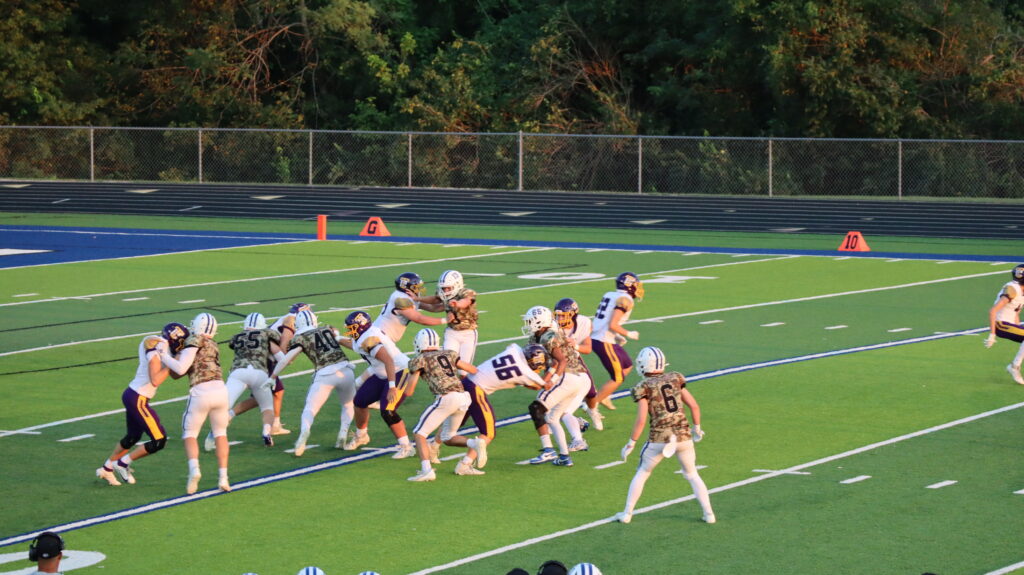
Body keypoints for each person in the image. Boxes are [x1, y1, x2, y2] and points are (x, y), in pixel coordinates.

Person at [616, 346, 715, 525]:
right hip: (683, 435)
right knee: (692, 474)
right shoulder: (675, 378)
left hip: (660, 438)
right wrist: (697, 428)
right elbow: (694, 406)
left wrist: (631, 443)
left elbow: (641, 419)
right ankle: (709, 514)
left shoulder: (643, 386)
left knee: (643, 472)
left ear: (644, 365)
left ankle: (627, 513)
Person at [96, 322, 188, 486]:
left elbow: (175, 375)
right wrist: (171, 361)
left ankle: (107, 468)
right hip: (138, 398)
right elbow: (155, 380)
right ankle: (122, 463)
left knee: (132, 437)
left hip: (133, 395)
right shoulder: (157, 346)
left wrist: (180, 364)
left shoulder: (161, 347)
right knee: (159, 440)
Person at [439, 342, 549, 468]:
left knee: (452, 425)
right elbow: (543, 386)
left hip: (465, 382)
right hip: (476, 390)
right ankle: (465, 464)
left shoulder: (513, 349)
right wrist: (553, 370)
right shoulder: (526, 373)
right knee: (488, 433)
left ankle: (433, 446)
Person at [268, 308, 357, 456]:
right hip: (345, 370)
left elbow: (286, 359)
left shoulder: (300, 337)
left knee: (310, 409)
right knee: (348, 405)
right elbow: (346, 342)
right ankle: (343, 432)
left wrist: (272, 376)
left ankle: (304, 432)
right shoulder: (327, 330)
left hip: (325, 374)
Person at [161, 312, 231, 494]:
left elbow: (181, 368)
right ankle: (223, 477)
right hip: (221, 390)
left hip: (201, 391)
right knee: (221, 434)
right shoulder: (213, 344)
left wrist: (164, 355)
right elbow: (178, 373)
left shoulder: (194, 340)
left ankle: (194, 470)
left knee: (190, 434)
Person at [404, 328, 487, 481]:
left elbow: (409, 391)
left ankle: (426, 470)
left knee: (419, 433)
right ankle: (474, 443)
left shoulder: (419, 359)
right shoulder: (449, 353)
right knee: (448, 437)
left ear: (419, 343)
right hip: (463, 397)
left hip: (447, 397)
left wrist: (403, 385)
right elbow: (472, 369)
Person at [341, 310, 416, 458]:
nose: (350, 331)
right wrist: (337, 338)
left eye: (352, 328)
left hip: (399, 371)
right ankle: (361, 436)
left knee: (388, 410)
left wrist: (392, 387)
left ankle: (407, 447)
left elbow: (388, 360)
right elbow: (355, 345)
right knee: (360, 401)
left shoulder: (370, 340)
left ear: (361, 326)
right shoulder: (364, 336)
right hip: (382, 372)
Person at [523, 305, 591, 467]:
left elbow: (560, 361)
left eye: (531, 321)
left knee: (536, 408)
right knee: (552, 417)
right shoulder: (539, 336)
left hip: (567, 376)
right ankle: (564, 457)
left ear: (540, 322)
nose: (528, 324)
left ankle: (548, 450)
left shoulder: (548, 336)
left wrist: (550, 380)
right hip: (573, 378)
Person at [228, 302, 309, 436]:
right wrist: (288, 358)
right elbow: (283, 345)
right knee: (266, 396)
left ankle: (274, 425)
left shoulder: (288, 318)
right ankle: (231, 415)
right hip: (263, 359)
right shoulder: (291, 321)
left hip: (259, 357)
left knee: (273, 392)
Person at [206, 312, 284, 449]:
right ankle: (266, 432)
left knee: (223, 406)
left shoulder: (237, 337)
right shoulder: (267, 334)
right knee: (267, 408)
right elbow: (281, 357)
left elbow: (234, 345)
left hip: (238, 373)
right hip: (259, 373)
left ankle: (214, 434)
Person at [591, 272, 644, 411]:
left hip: (601, 337)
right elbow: (613, 324)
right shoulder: (625, 299)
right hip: (603, 340)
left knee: (627, 365)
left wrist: (617, 336)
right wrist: (628, 333)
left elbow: (606, 319)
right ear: (629, 285)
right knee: (618, 378)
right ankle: (592, 404)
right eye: (636, 285)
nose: (638, 288)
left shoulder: (610, 294)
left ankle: (605, 394)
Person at [555, 297, 604, 432]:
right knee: (558, 394)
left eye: (563, 316)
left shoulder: (583, 323)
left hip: (573, 358)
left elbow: (587, 349)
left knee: (591, 393)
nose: (559, 319)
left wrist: (575, 345)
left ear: (573, 315)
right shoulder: (552, 327)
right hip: (555, 360)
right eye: (558, 315)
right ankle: (561, 420)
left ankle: (593, 412)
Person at [415, 270, 479, 373]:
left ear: (457, 285)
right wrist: (417, 301)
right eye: (444, 288)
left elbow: (466, 301)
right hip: (451, 333)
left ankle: (466, 383)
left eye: (448, 288)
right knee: (447, 365)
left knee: (464, 370)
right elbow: (435, 304)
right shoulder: (444, 296)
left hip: (468, 334)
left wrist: (457, 304)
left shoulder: (466, 293)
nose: (445, 291)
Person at [985, 264, 1024, 385]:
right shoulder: (1012, 289)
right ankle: (1014, 367)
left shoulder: (1021, 291)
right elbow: (993, 311)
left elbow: (1015, 313)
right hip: (1000, 324)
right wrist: (992, 335)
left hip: (1009, 324)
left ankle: (1015, 365)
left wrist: (1019, 329)